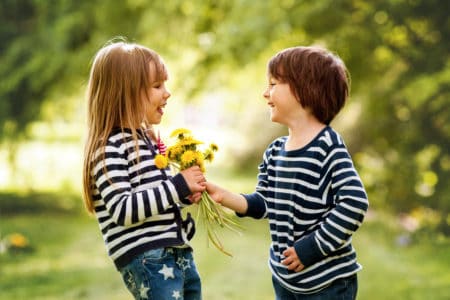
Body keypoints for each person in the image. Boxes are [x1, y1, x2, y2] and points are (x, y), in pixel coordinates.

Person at [206, 46, 369, 299]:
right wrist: (222, 195)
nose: (265, 93)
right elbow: (263, 204)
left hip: (328, 283)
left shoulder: (328, 145)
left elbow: (354, 203)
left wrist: (311, 248)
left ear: (305, 89)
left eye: (273, 84)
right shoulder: (275, 151)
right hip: (286, 279)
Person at [82, 39, 205, 300]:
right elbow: (124, 210)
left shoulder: (146, 140)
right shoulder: (108, 147)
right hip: (150, 259)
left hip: (176, 250)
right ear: (126, 92)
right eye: (157, 86)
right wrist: (177, 186)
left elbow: (154, 197)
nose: (167, 93)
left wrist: (183, 196)